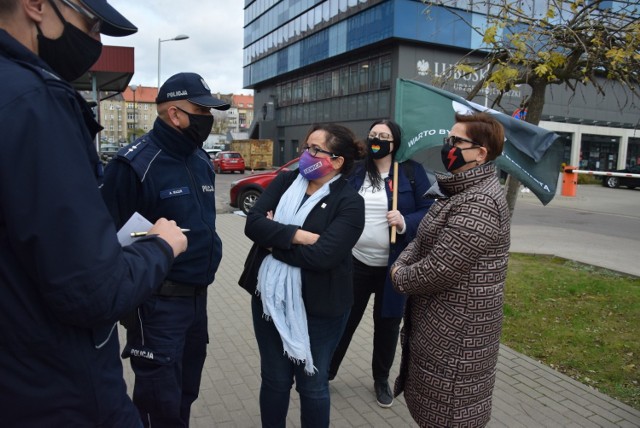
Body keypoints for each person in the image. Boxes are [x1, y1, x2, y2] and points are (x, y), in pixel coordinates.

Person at [0, 1, 188, 426]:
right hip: (56, 390)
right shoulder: (35, 103)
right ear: (35, 6)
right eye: (93, 23)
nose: (96, 41)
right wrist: (161, 247)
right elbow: (91, 290)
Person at [100, 72, 229, 427]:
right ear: (174, 114)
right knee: (159, 402)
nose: (209, 118)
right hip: (156, 305)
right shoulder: (134, 165)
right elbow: (108, 243)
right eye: (202, 111)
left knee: (186, 392)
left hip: (196, 299)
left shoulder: (201, 159)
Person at [240, 123, 366, 428]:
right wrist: (298, 235)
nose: (305, 155)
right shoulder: (285, 181)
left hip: (321, 309)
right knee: (274, 380)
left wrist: (274, 241)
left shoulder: (350, 203)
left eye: (314, 149)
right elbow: (252, 224)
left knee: (312, 384)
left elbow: (323, 257)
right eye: (306, 148)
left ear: (336, 161)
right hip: (269, 300)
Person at [390, 112, 511, 427]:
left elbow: (439, 269)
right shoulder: (456, 190)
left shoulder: (480, 202)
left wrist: (399, 275)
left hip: (457, 337)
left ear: (480, 153)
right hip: (440, 328)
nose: (448, 148)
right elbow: (422, 240)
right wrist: (402, 261)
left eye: (456, 142)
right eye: (448, 140)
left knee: (451, 416)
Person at [328, 119, 433, 408]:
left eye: (384, 136)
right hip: (355, 262)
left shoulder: (411, 172)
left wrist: (404, 221)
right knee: (344, 319)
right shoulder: (357, 170)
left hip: (395, 267)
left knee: (387, 325)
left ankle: (380, 379)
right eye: (373, 134)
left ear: (394, 142)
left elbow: (430, 210)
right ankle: (326, 371)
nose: (377, 139)